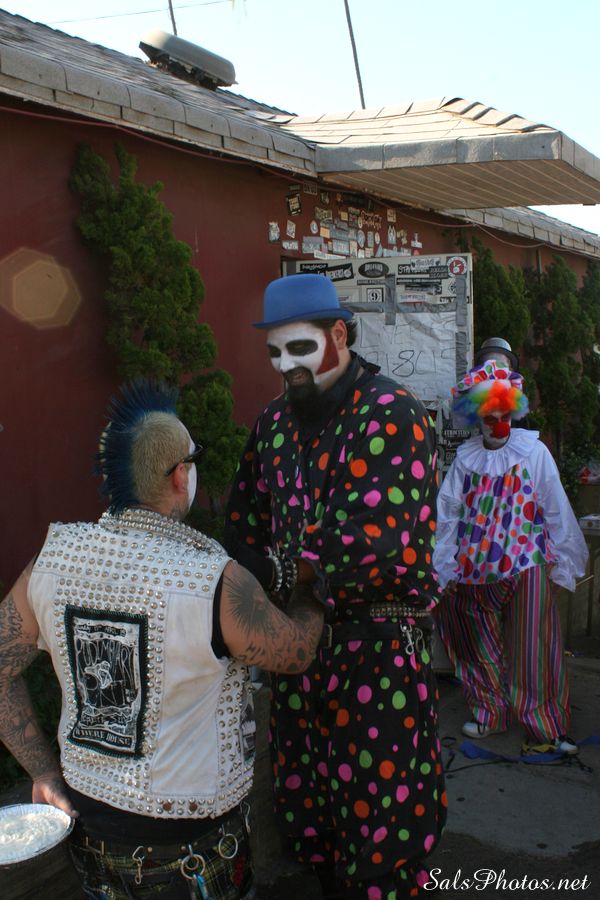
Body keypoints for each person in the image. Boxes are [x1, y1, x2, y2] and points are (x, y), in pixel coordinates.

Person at [0, 380, 324, 899]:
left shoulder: (51, 562)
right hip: (195, 851)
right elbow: (297, 651)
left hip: (91, 835)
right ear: (180, 475)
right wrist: (312, 592)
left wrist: (43, 772)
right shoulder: (214, 580)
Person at [224, 273, 446, 899]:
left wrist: (276, 571)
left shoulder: (393, 413)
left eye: (300, 348)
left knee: (383, 833)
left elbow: (377, 538)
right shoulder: (273, 423)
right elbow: (244, 519)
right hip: (299, 658)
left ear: (339, 336)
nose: (284, 366)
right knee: (315, 826)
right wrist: (237, 574)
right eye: (275, 352)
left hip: (377, 657)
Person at [433, 343, 588, 757]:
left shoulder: (533, 452)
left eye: (502, 414)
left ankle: (546, 725)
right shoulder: (465, 460)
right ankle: (489, 712)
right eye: (487, 416)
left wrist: (565, 560)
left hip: (525, 565)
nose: (495, 423)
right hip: (472, 572)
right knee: (474, 645)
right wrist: (443, 566)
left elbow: (554, 506)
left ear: (512, 411)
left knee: (534, 648)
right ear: (475, 416)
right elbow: (448, 514)